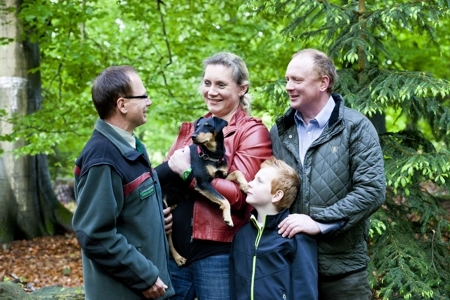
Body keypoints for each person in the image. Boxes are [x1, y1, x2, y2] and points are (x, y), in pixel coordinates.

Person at [156, 52, 272, 299]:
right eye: (207, 83)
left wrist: (188, 173)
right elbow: (166, 180)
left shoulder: (251, 132)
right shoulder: (195, 129)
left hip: (216, 252)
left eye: (221, 85)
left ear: (242, 89)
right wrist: (160, 213)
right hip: (176, 251)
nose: (211, 91)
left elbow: (243, 197)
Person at [271, 49, 386, 300]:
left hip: (342, 270)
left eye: (297, 80)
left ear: (323, 82)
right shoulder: (280, 131)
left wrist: (318, 222)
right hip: (291, 264)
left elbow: (372, 190)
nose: (288, 86)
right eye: (287, 80)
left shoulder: (356, 127)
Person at [72, 66, 174, 299]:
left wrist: (156, 220)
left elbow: (126, 211)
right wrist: (144, 276)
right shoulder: (103, 158)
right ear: (122, 105)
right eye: (143, 96)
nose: (149, 102)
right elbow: (94, 233)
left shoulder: (129, 147)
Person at [230, 157, 318, 300]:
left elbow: (306, 289)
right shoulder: (241, 236)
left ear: (277, 195)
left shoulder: (295, 236)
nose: (250, 184)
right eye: (253, 179)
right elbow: (234, 287)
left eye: (259, 181)